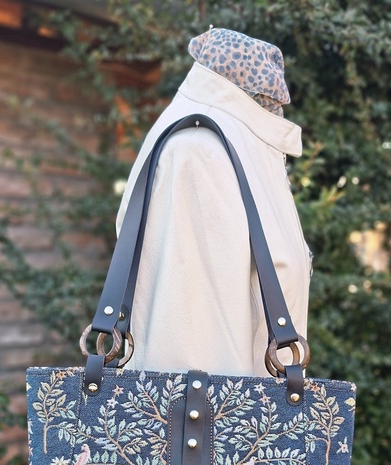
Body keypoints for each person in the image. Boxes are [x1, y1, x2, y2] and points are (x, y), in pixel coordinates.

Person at [116, 27, 312, 376]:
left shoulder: (230, 145)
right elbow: (188, 355)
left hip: (243, 404)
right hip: (226, 410)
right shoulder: (199, 153)